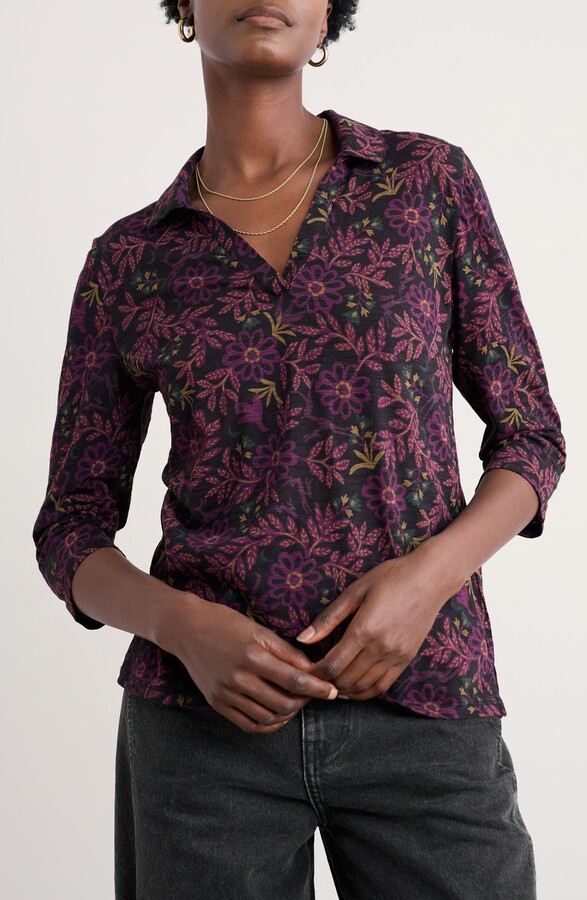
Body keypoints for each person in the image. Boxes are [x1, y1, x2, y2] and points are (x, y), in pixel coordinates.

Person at [32, 2, 566, 898]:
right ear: (183, 8)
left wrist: (428, 579)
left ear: (329, 15)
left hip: (427, 700)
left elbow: (531, 435)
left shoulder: (423, 184)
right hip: (201, 735)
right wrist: (179, 626)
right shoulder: (129, 261)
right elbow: (69, 528)